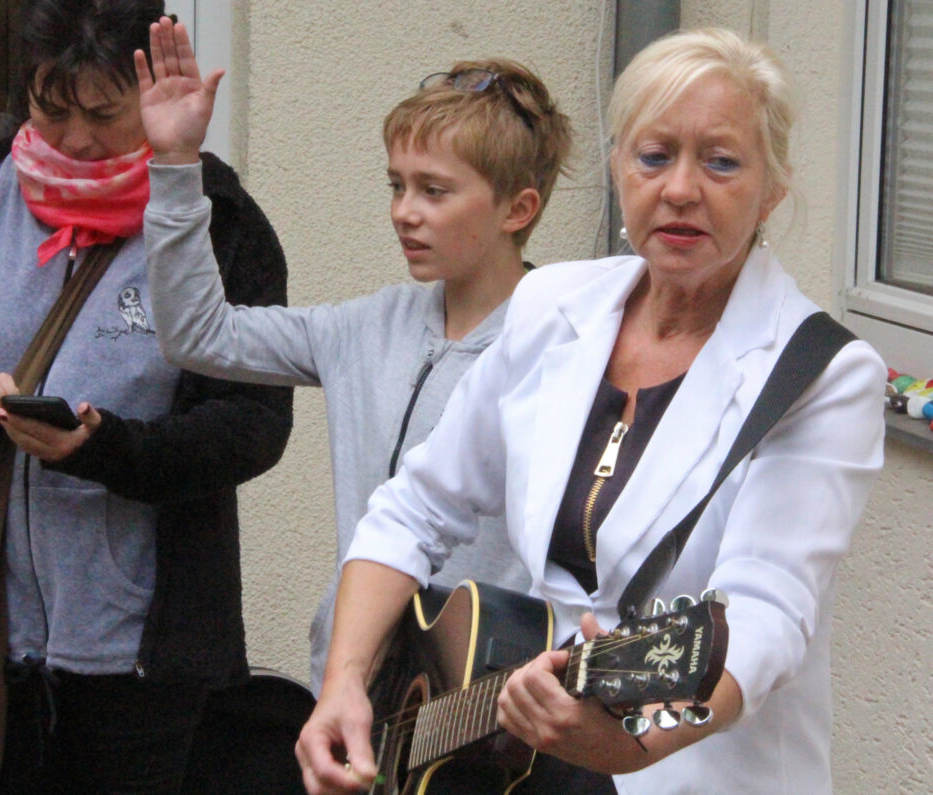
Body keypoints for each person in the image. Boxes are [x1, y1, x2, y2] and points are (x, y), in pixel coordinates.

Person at [295, 27, 886, 795]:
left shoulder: (821, 374)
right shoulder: (550, 306)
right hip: (535, 764)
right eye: (653, 155)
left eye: (722, 161)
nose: (679, 187)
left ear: (772, 189)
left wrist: (628, 746)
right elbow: (415, 504)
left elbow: (767, 610)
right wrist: (345, 681)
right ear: (616, 168)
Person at [0, 0, 292, 791]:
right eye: (52, 110)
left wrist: (106, 448)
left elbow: (253, 423)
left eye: (103, 114)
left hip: (144, 659)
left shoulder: (215, 219)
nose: (75, 139)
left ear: (151, 101)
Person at [137, 19, 573, 693]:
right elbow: (198, 334)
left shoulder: (570, 349)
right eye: (396, 185)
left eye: (434, 190)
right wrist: (173, 165)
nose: (404, 211)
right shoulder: (364, 326)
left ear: (518, 209)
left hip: (487, 716)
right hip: (352, 699)